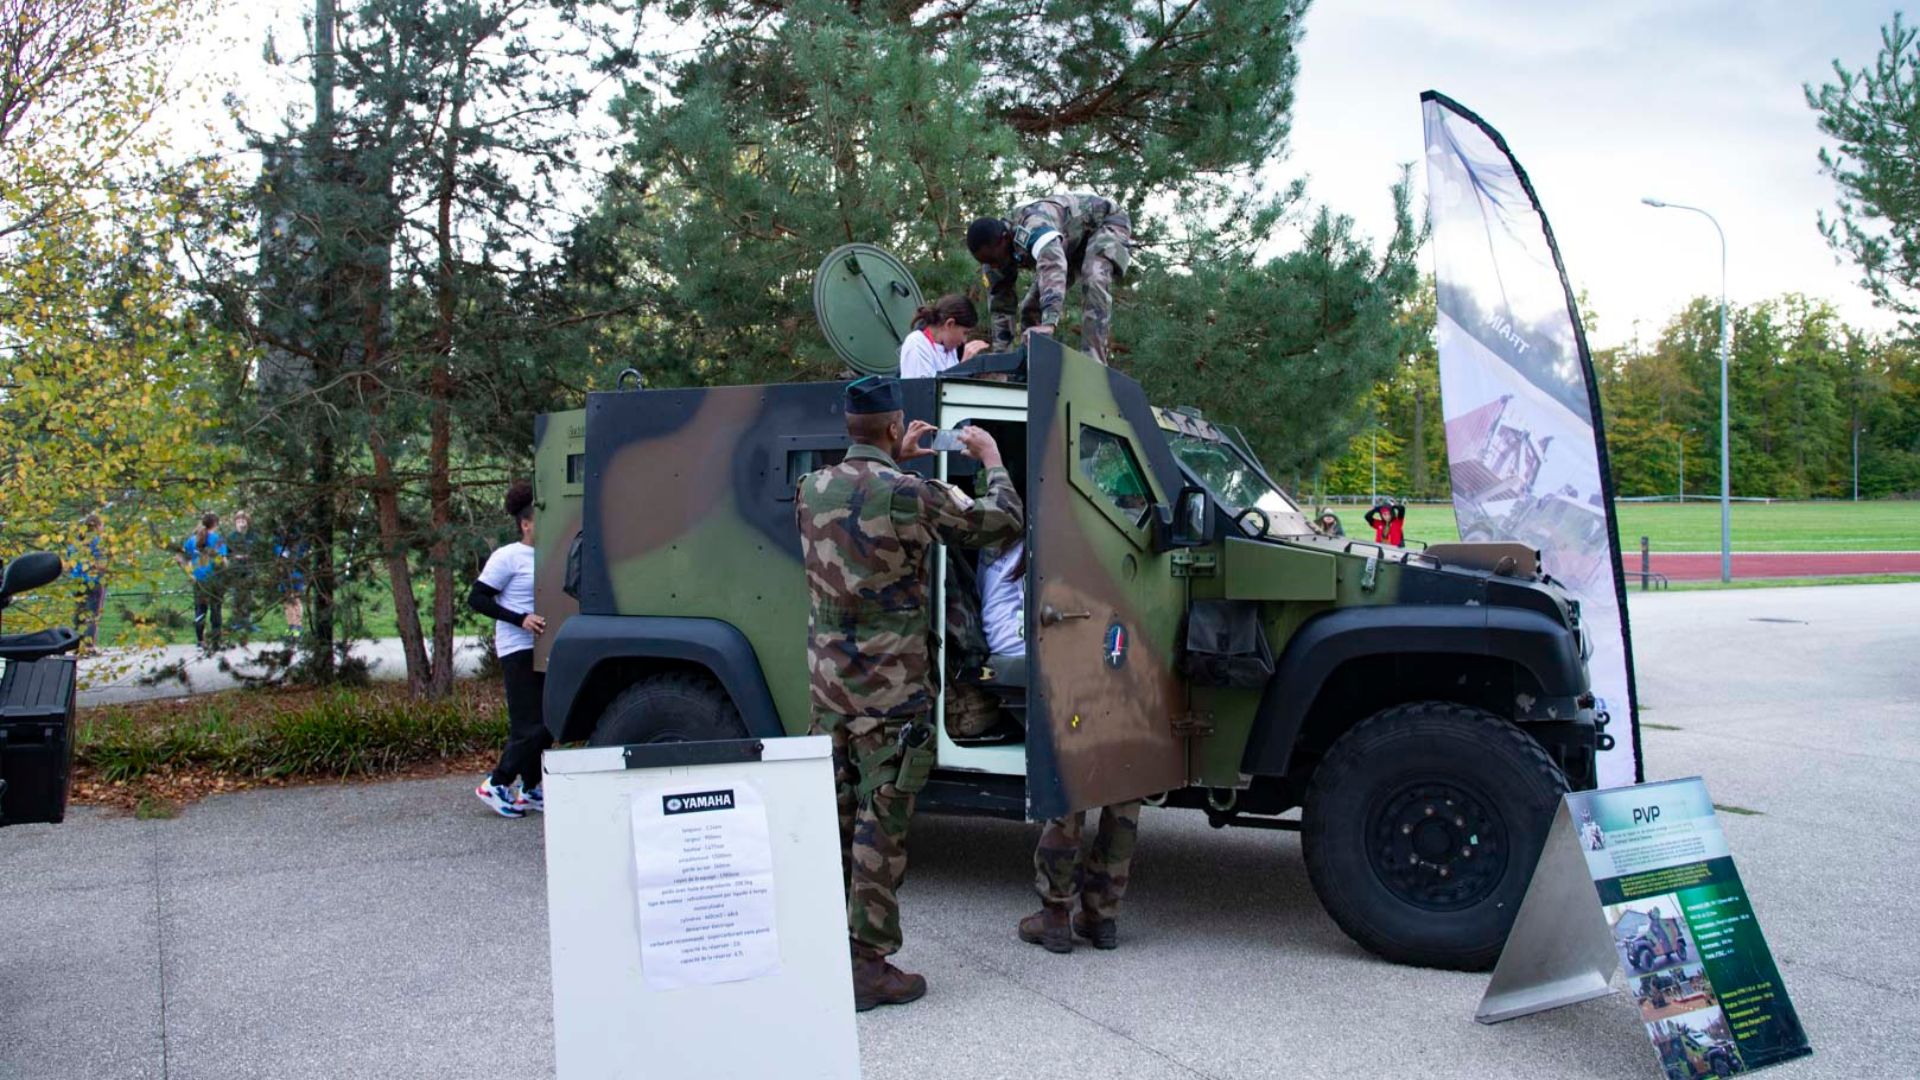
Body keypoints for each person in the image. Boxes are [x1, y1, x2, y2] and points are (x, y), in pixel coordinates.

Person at [795, 375, 1023, 1010]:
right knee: (880, 826)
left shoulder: (810, 490)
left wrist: (895, 460)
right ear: (895, 429)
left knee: (833, 824)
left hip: (827, 691)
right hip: (890, 697)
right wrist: (992, 461)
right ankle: (868, 968)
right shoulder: (910, 495)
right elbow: (1002, 523)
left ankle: (828, 952)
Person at [967, 192, 1132, 365]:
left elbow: (1053, 267)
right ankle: (1031, 367)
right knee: (1030, 308)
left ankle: (1095, 362)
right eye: (985, 263)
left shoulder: (1033, 227)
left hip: (1106, 223)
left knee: (1094, 277)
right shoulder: (992, 259)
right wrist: (1000, 361)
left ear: (1005, 239)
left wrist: (1049, 323)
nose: (993, 266)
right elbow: (1001, 308)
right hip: (1070, 243)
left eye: (993, 260)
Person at [467, 481, 549, 818]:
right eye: (539, 520)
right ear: (525, 523)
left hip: (543, 648)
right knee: (530, 726)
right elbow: (477, 598)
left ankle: (529, 789)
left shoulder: (548, 555)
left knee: (543, 722)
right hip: (517, 649)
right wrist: (520, 619)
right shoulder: (508, 556)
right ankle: (496, 783)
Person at [898, 294, 991, 378]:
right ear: (950, 324)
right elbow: (924, 392)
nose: (964, 340)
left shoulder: (950, 349)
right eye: (965, 333)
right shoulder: (917, 343)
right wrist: (963, 368)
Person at [182, 512, 227, 650]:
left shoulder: (191, 540)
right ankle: (216, 641)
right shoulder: (217, 539)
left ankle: (200, 640)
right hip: (215, 578)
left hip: (199, 578)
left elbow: (184, 559)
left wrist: (190, 574)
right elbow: (223, 560)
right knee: (216, 609)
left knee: (200, 609)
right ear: (215, 524)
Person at [67, 513, 109, 646]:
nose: (103, 528)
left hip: (76, 582)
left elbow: (69, 563)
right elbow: (101, 564)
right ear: (96, 526)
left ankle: (76, 644)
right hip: (93, 582)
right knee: (92, 615)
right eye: (102, 525)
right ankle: (89, 646)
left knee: (78, 615)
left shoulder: (75, 543)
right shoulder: (97, 542)